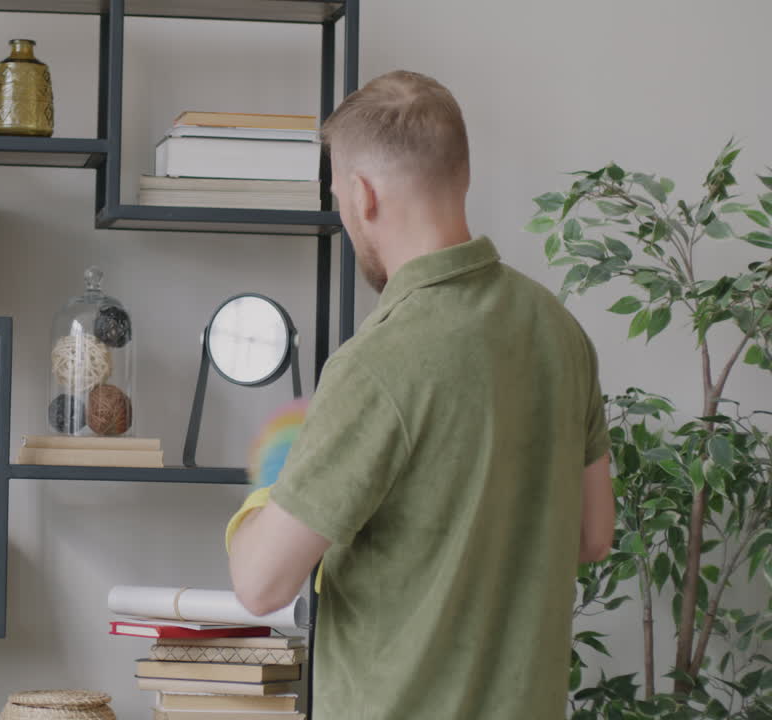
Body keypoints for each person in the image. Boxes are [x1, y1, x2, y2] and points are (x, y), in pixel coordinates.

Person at [225, 70, 615, 720]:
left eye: (339, 197)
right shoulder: (559, 331)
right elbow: (593, 536)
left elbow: (260, 585)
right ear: (464, 176)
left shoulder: (376, 364)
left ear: (362, 194)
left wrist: (273, 482)